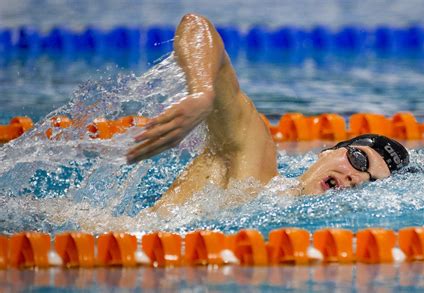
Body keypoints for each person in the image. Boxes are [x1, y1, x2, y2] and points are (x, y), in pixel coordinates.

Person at [126, 14, 409, 208]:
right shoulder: (252, 165)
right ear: (328, 151)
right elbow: (196, 25)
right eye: (359, 160)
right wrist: (202, 92)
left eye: (369, 183)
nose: (355, 178)